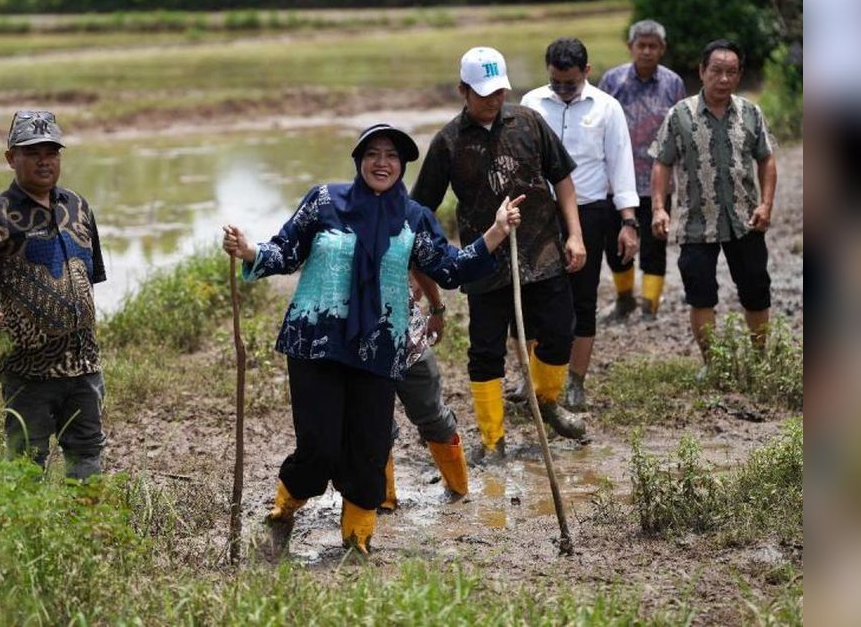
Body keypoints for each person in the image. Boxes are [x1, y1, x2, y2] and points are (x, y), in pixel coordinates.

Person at [221, 124, 523, 555]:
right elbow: (286, 252)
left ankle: (356, 542)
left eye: (392, 156)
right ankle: (282, 515)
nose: (382, 163)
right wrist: (250, 251)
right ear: (359, 160)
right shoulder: (324, 201)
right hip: (316, 345)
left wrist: (495, 232)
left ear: (402, 166)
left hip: (379, 350)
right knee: (319, 447)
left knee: (369, 448)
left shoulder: (414, 218)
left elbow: (451, 269)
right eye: (373, 154)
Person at [412, 46, 589, 465]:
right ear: (463, 91)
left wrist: (575, 235)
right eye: (483, 93)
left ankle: (544, 401)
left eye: (499, 91)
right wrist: (417, 271)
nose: (493, 100)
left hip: (541, 251)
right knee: (486, 350)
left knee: (560, 332)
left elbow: (561, 179)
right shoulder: (448, 143)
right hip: (484, 262)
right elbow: (420, 212)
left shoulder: (529, 123)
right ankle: (493, 439)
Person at [0, 110, 107, 480]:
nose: (44, 160)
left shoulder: (79, 207)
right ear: (11, 158)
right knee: (25, 466)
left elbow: (90, 277)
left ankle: (85, 531)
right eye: (33, 152)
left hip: (84, 367)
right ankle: (24, 537)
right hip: (27, 372)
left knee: (87, 456)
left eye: (51, 151)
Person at [521, 37, 639, 411]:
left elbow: (621, 166)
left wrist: (628, 221)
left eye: (569, 83)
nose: (561, 89)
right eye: (555, 82)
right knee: (534, 298)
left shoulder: (607, 108)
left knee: (582, 299)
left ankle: (575, 382)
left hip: (590, 213)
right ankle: (534, 382)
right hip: (539, 216)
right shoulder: (531, 104)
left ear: (586, 73)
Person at [649, 39, 777, 363]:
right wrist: (659, 208)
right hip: (695, 221)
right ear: (702, 71)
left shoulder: (750, 112)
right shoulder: (679, 115)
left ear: (739, 74)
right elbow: (662, 162)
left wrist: (766, 205)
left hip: (745, 219)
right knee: (701, 294)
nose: (723, 79)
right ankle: (713, 364)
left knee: (756, 291)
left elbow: (766, 159)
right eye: (716, 71)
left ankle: (759, 359)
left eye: (731, 72)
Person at [598, 19, 688, 321]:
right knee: (615, 245)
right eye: (642, 45)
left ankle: (650, 306)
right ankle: (624, 299)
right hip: (615, 182)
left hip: (657, 183)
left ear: (662, 49)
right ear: (631, 47)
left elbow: (681, 130)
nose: (647, 51)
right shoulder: (612, 81)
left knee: (654, 244)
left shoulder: (673, 83)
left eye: (653, 46)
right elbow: (598, 124)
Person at [380, 272, 469, 513]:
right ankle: (382, 502)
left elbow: (424, 254)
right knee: (374, 427)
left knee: (435, 416)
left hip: (410, 338)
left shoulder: (405, 233)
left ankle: (459, 490)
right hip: (360, 346)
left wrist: (437, 308)